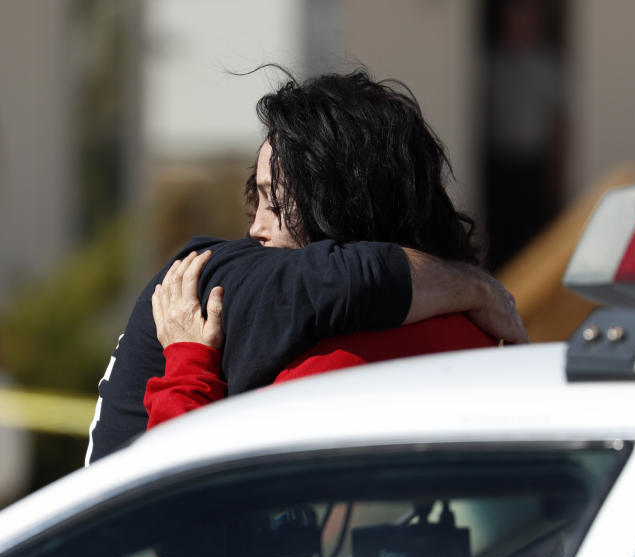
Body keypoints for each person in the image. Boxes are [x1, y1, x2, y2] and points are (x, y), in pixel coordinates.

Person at [86, 71, 527, 463]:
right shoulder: (211, 279)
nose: (255, 229)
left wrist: (189, 367)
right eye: (255, 199)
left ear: (344, 204)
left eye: (276, 202)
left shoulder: (336, 349)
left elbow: (195, 516)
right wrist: (478, 289)